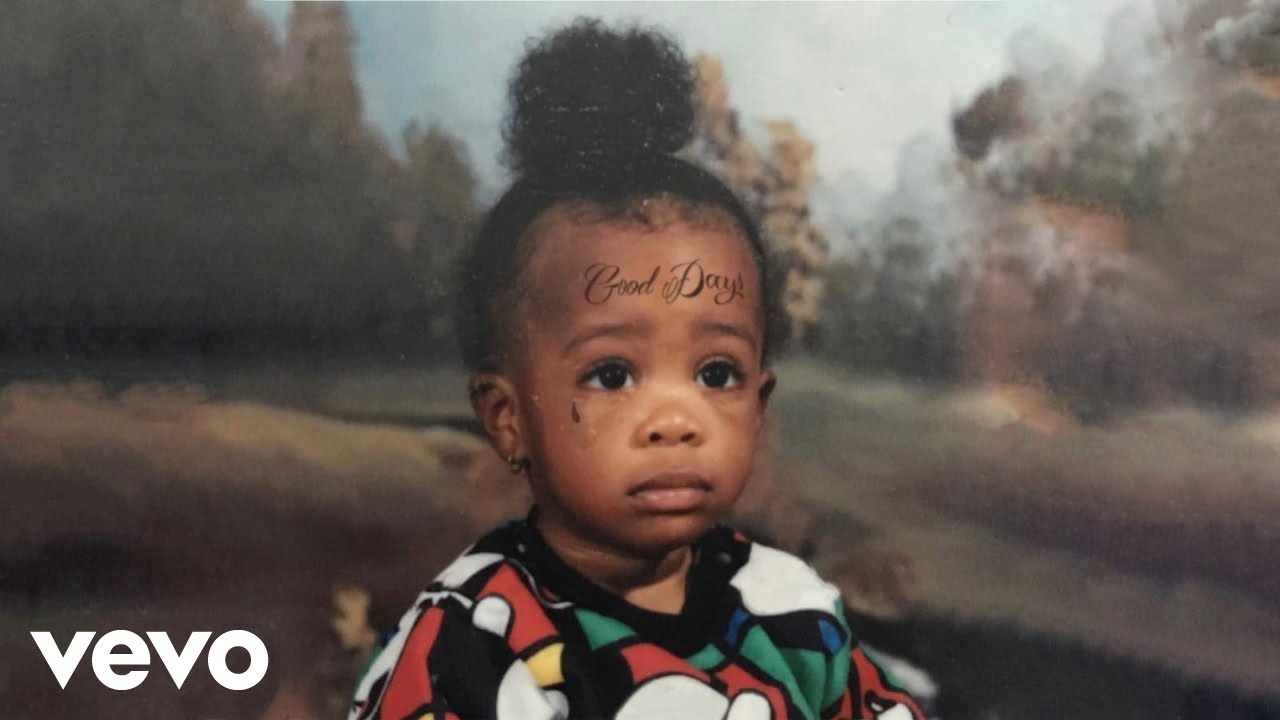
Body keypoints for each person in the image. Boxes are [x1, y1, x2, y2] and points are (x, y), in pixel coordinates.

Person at [348, 19, 927, 720]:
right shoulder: (472, 649)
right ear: (508, 418)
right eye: (612, 376)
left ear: (759, 404)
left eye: (716, 374)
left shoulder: (791, 611)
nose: (676, 421)